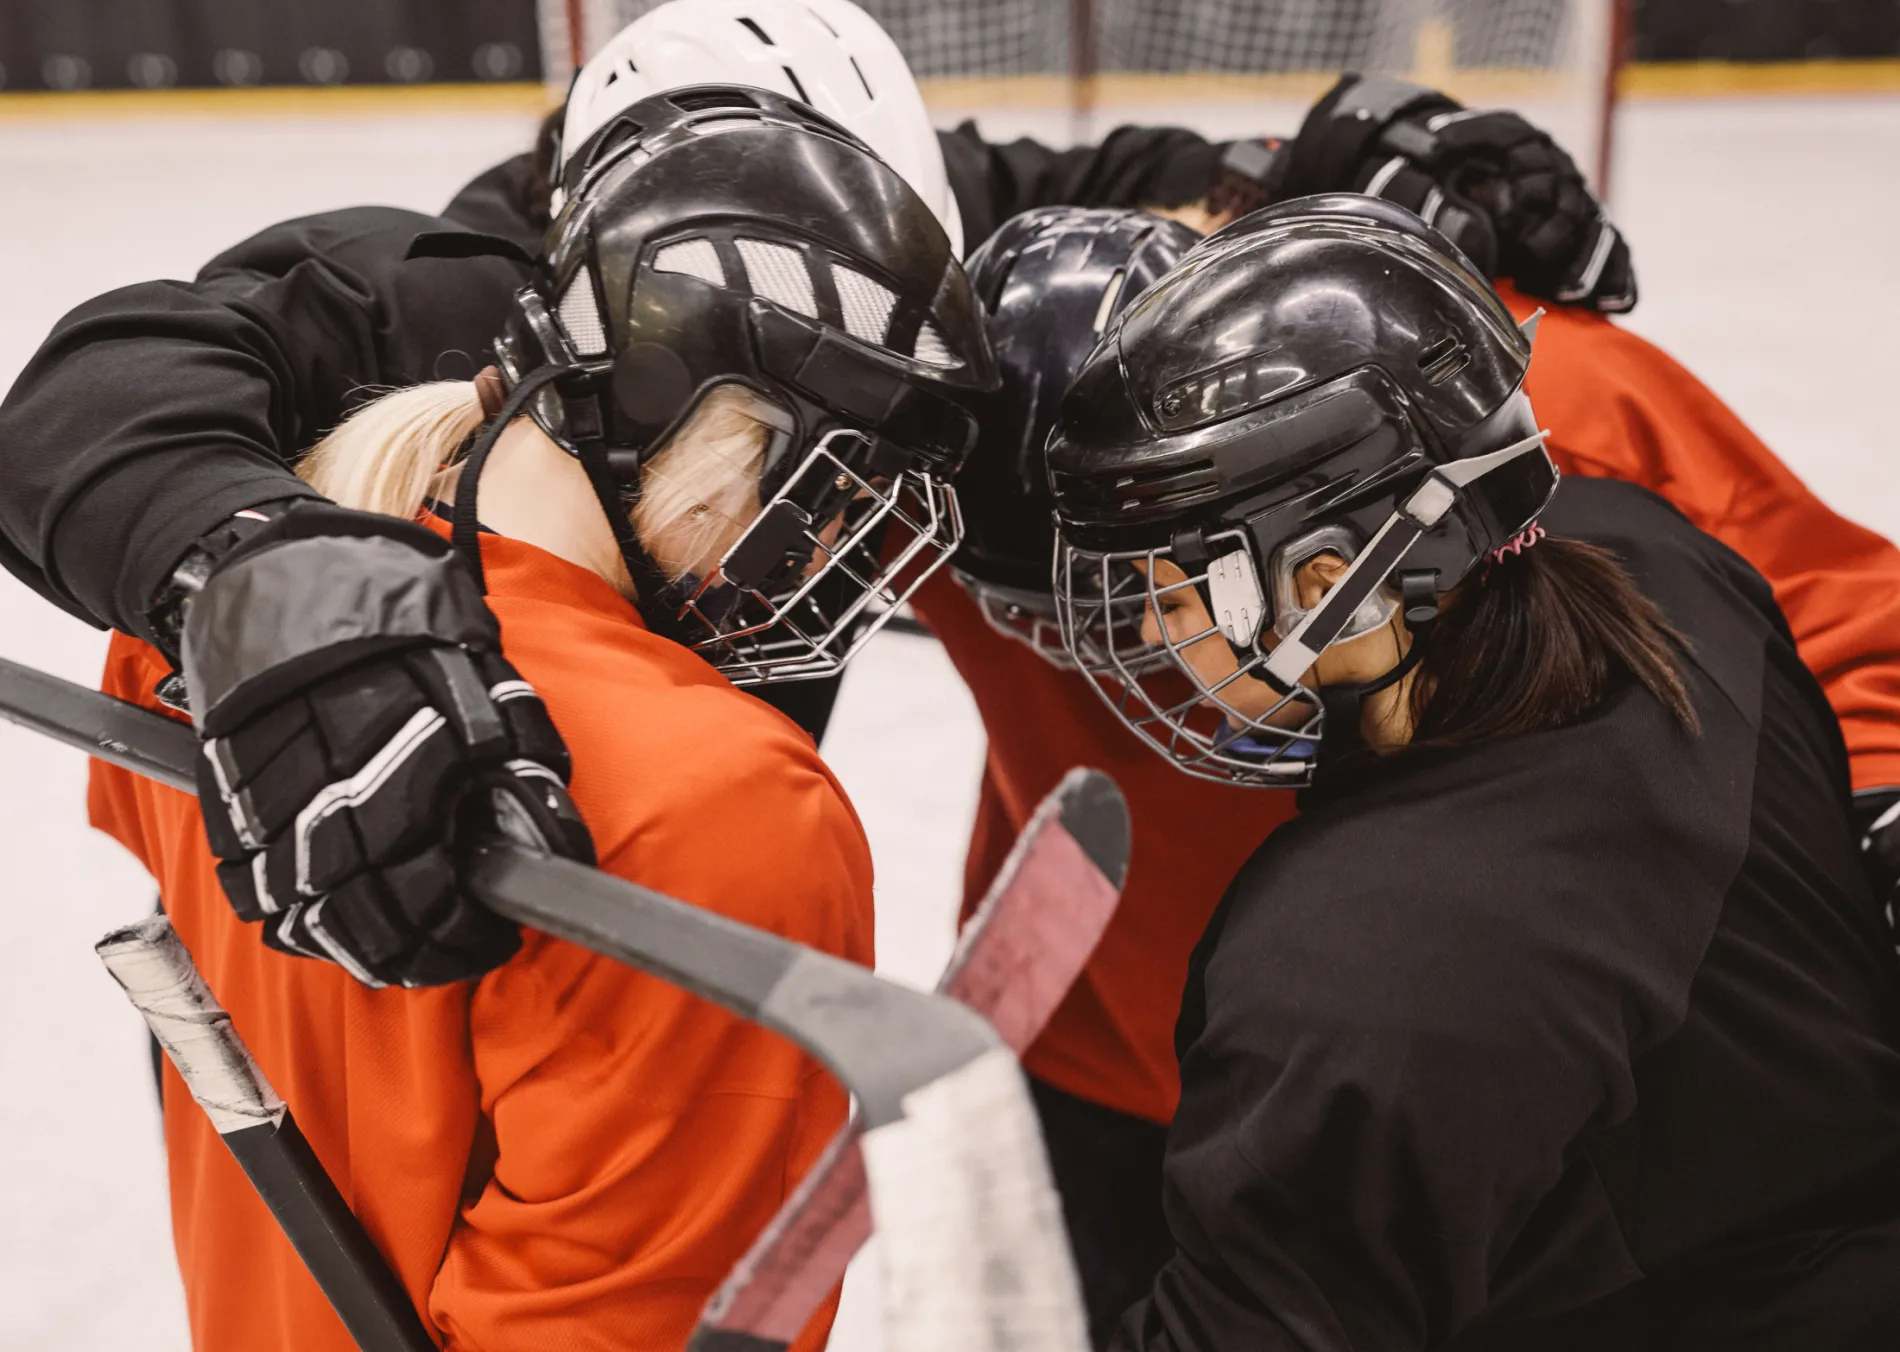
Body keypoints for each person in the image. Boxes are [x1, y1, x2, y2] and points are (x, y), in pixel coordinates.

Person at [87, 87, 995, 1350]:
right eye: (829, 493)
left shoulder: (207, 641)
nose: (829, 555)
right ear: (715, 425)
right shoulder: (728, 799)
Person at [925, 193, 1900, 1340]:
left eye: (1166, 582)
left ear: (1326, 572)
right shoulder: (1670, 570)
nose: (1144, 636)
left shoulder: (1359, 956)